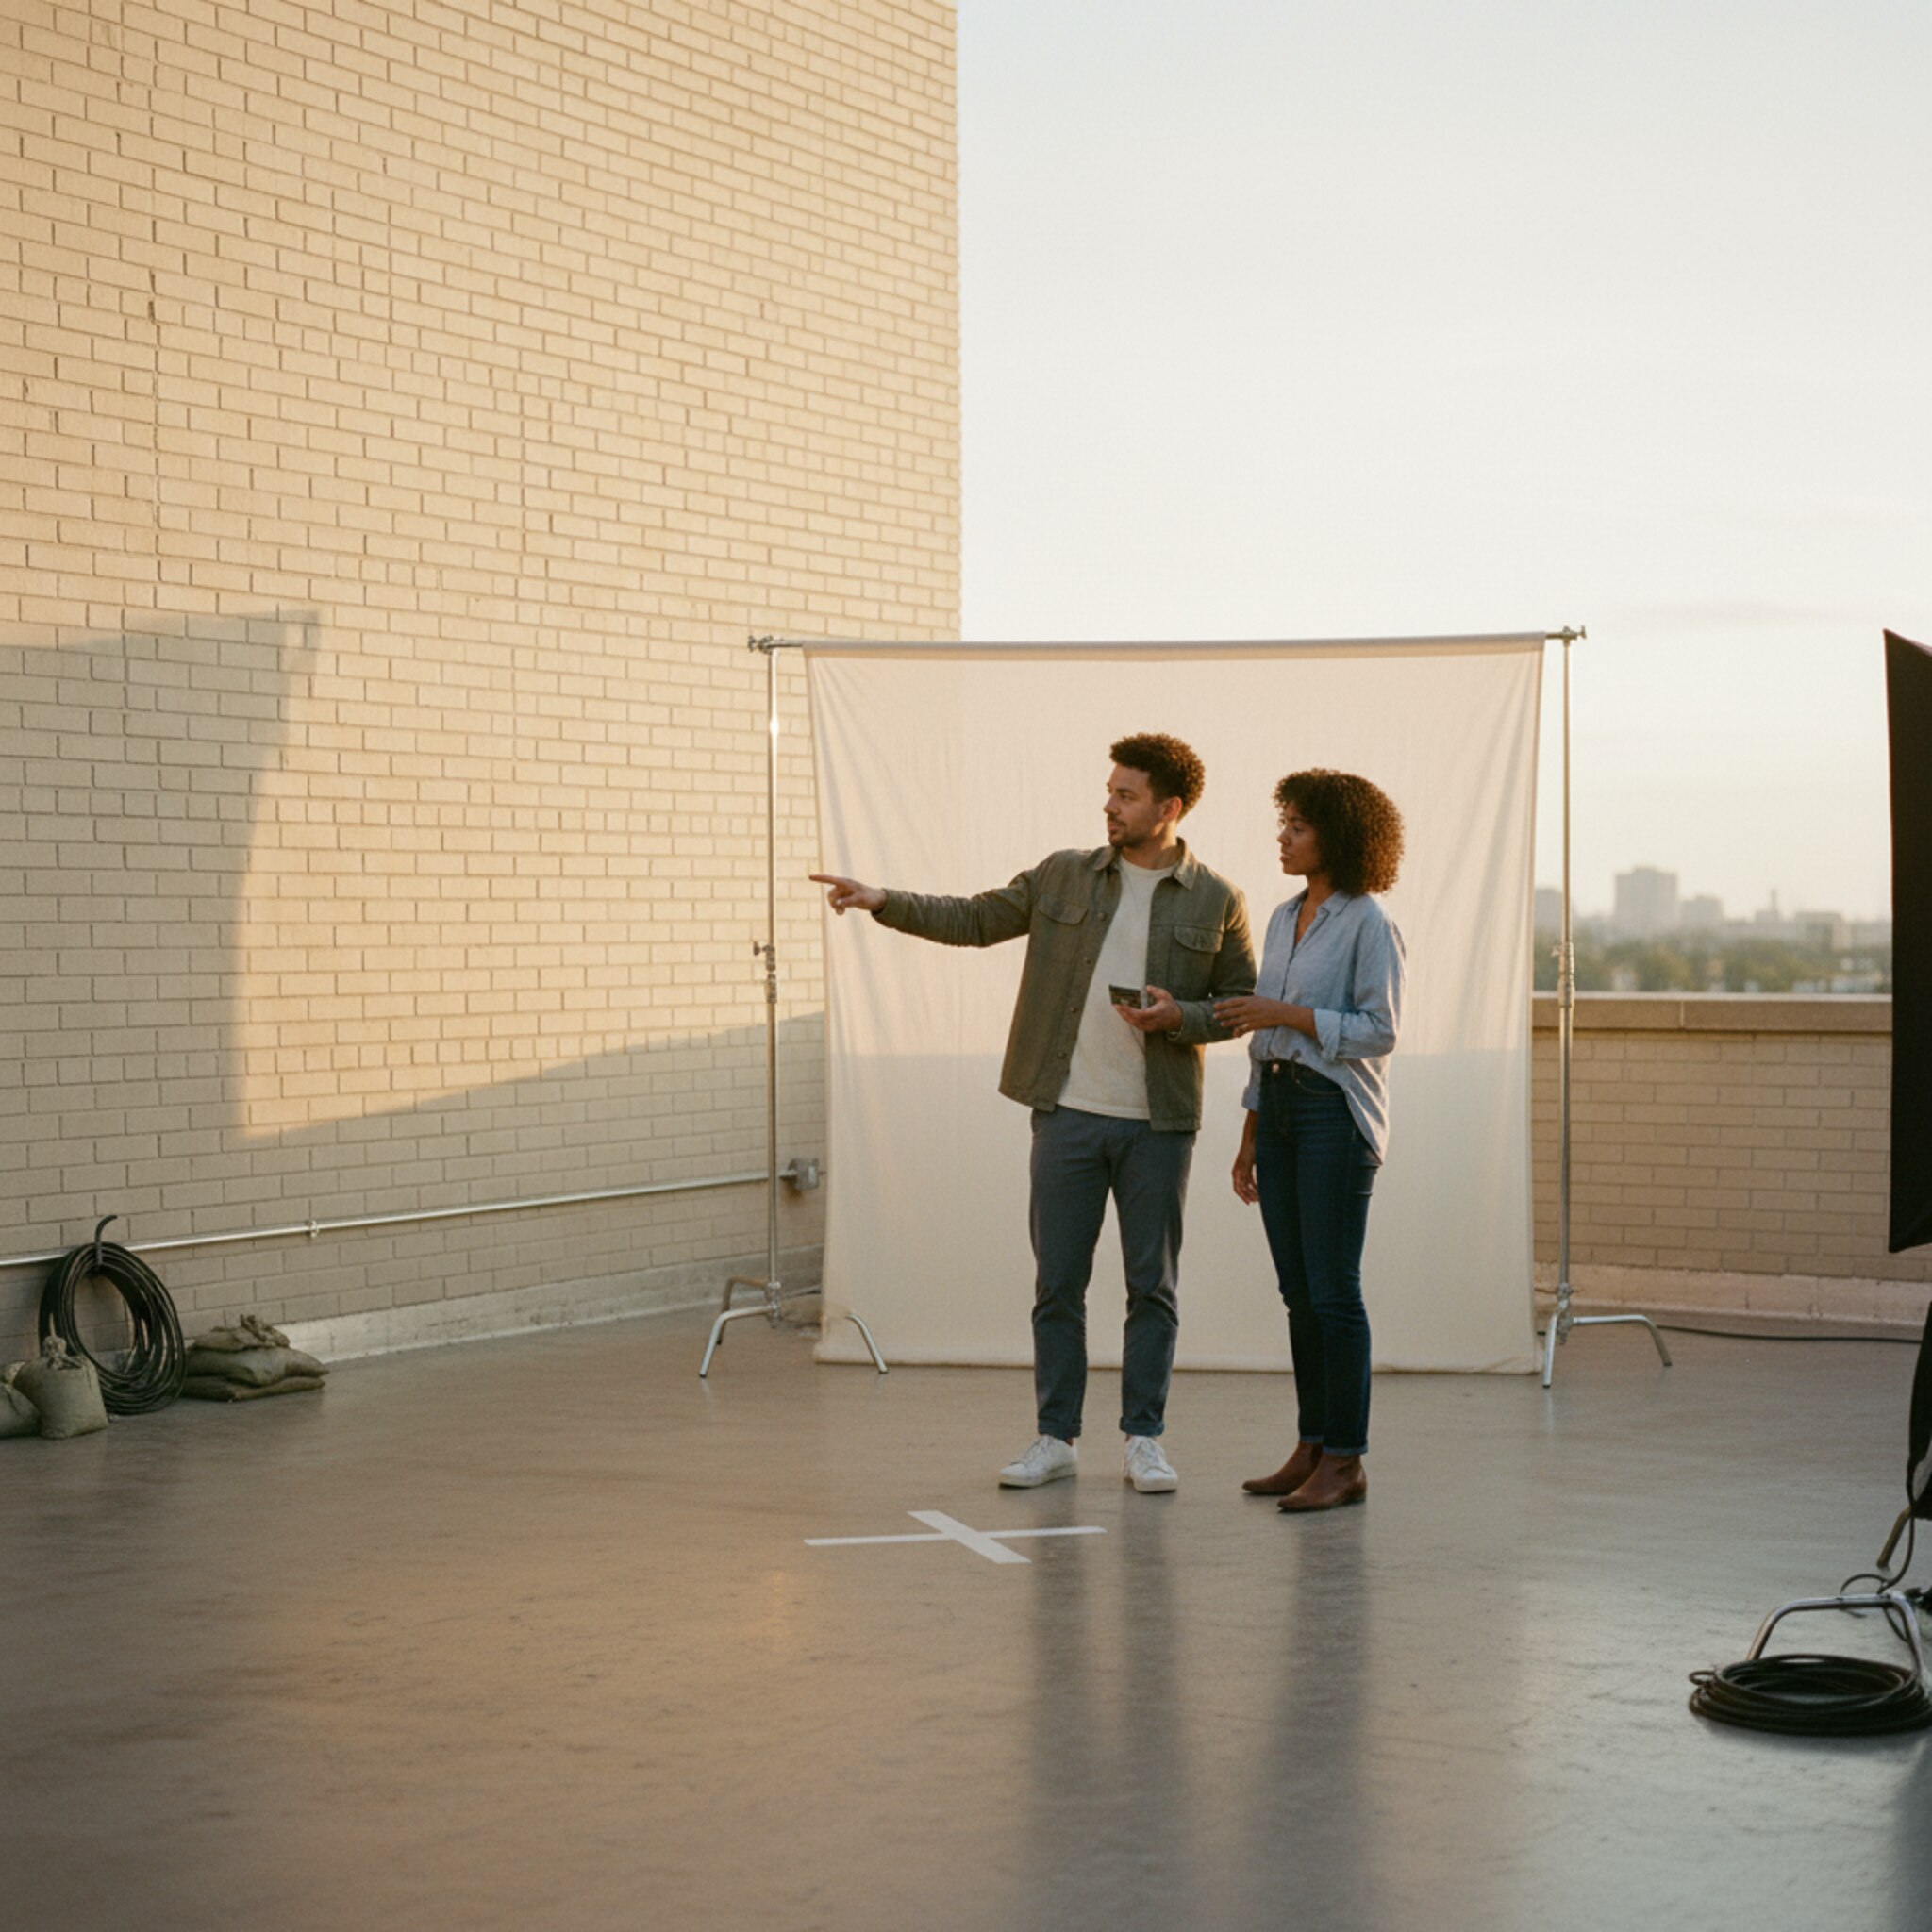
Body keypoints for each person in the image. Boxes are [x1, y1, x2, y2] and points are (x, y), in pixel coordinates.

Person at [811, 733, 1255, 1494]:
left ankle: (1144, 1439)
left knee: (1152, 1286)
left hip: (1159, 1121)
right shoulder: (1063, 876)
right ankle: (1056, 1437)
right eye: (1110, 790)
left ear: (1169, 808)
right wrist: (884, 900)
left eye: (1126, 795)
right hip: (1067, 1115)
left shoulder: (1217, 898)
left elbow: (1238, 1006)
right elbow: (977, 918)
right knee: (1058, 1284)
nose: (1109, 805)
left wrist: (1180, 1016)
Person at [1213, 769, 1406, 1513]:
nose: (1282, 836)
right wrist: (1250, 1132)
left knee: (1334, 1292)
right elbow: (1263, 1037)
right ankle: (1313, 1442)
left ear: (1339, 835)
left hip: (1334, 1114)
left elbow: (1378, 1030)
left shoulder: (1368, 922)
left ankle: (1347, 1459)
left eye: (1297, 824)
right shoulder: (1282, 915)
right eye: (1282, 822)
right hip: (1283, 1113)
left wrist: (1284, 1014)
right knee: (1297, 1293)